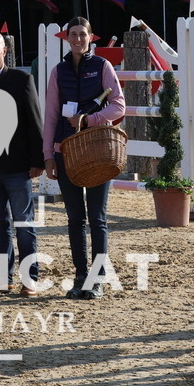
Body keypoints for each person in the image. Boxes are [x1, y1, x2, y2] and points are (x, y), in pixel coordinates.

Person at [43, 17, 125, 300]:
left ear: (91, 38)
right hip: (66, 151)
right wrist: (48, 156)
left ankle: (97, 278)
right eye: (73, 35)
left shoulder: (103, 66)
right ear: (67, 38)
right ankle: (80, 276)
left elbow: (118, 105)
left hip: (98, 150)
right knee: (75, 218)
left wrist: (91, 119)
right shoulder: (58, 71)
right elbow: (51, 115)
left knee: (97, 218)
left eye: (82, 34)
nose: (78, 39)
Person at [0, 31, 45, 298]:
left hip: (18, 166)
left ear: (5, 50)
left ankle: (30, 279)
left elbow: (34, 121)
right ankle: (4, 279)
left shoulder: (22, 80)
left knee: (24, 223)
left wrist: (37, 160)